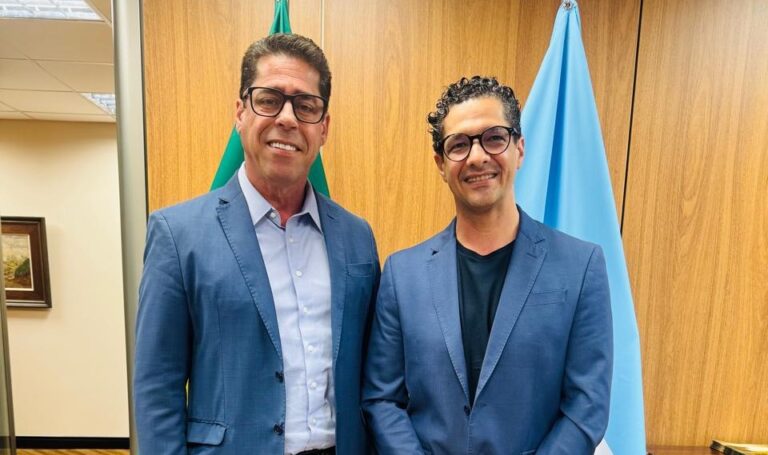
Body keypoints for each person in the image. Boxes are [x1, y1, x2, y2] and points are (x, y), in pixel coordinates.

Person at [134, 33, 379, 455]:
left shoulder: (357, 237)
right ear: (240, 112)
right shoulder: (177, 234)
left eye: (306, 106)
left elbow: (373, 372)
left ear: (323, 127)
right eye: (269, 100)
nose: (287, 118)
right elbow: (157, 385)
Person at [362, 76, 612, 454]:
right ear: (441, 164)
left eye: (494, 138)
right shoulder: (402, 274)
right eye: (459, 145)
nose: (477, 157)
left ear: (519, 149)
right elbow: (382, 399)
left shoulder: (581, 267)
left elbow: (587, 405)